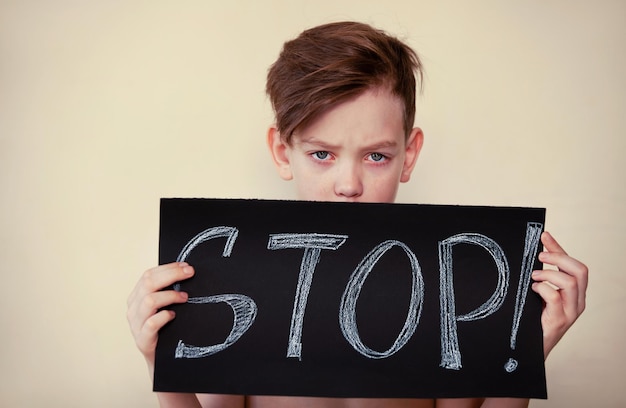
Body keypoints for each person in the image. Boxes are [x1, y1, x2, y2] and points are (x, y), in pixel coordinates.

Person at [127, 21, 588, 408]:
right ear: (282, 152)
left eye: (376, 157)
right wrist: (160, 361)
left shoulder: (451, 281)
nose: (348, 185)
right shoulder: (236, 275)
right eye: (322, 154)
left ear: (408, 156)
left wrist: (530, 346)